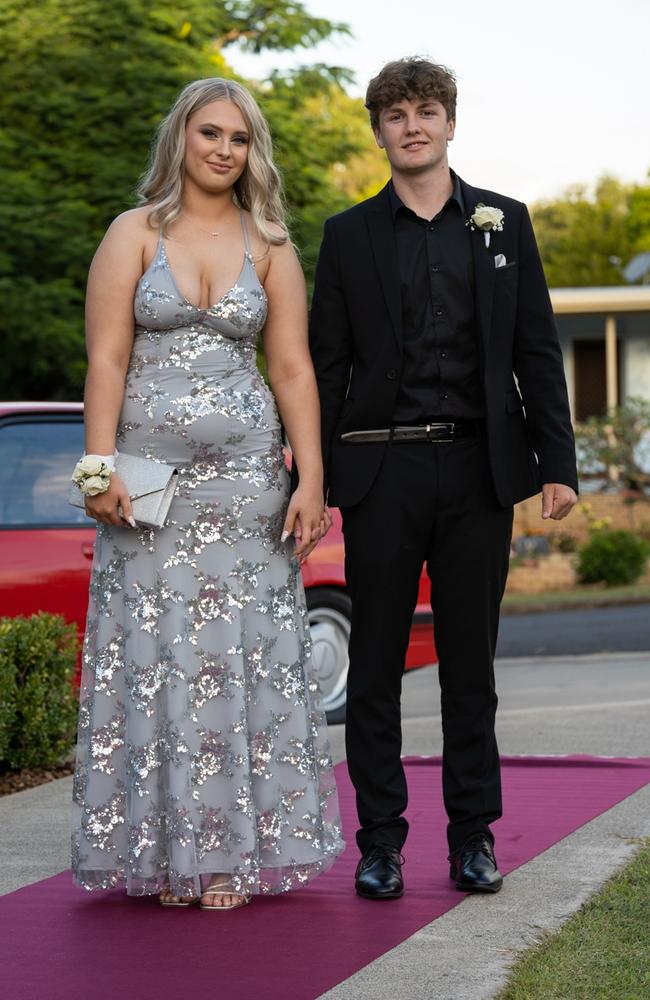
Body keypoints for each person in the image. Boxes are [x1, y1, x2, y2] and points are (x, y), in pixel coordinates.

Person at [304, 58, 577, 899]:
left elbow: (536, 349)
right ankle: (380, 843)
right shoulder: (347, 236)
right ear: (379, 131)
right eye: (395, 114)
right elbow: (325, 364)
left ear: (450, 123)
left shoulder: (505, 224)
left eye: (426, 111)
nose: (412, 126)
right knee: (378, 663)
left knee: (471, 667)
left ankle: (474, 839)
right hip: (380, 470)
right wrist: (313, 480)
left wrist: (557, 466)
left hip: (478, 470)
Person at [71, 77, 344, 910]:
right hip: (145, 494)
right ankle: (160, 856)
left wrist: (311, 479)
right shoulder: (131, 234)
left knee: (237, 668)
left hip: (246, 490)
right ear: (181, 140)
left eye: (239, 138)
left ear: (250, 150)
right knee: (151, 668)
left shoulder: (271, 244)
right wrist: (97, 468)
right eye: (210, 133)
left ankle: (225, 856)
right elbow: (107, 361)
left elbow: (293, 368)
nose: (224, 149)